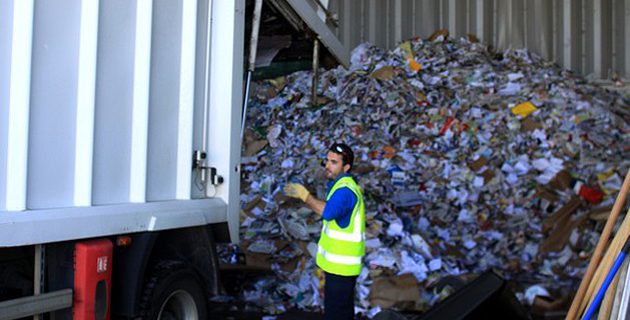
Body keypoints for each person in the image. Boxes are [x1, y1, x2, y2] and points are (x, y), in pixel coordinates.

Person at [283, 143, 365, 320]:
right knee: (340, 312)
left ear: (346, 167)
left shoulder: (345, 190)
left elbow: (328, 212)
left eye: (334, 162)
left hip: (342, 267)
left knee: (337, 315)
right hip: (339, 266)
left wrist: (306, 196)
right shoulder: (340, 186)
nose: (327, 165)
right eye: (326, 161)